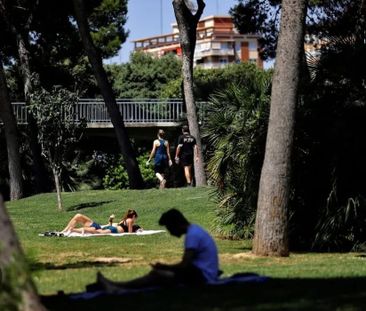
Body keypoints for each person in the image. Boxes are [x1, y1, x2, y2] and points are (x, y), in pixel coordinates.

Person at [95, 208, 219, 292]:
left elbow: (185, 265)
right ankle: (118, 286)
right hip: (202, 274)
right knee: (158, 275)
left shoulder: (193, 235)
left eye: (169, 227)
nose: (170, 232)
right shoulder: (195, 231)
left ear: (176, 223)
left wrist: (164, 267)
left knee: (157, 275)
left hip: (203, 277)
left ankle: (119, 287)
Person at [61, 209, 139, 235]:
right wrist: (136, 228)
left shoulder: (123, 220)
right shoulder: (130, 220)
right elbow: (130, 233)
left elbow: (111, 224)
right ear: (134, 216)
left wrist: (110, 220)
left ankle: (67, 230)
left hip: (103, 227)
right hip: (108, 228)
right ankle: (68, 230)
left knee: (78, 216)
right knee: (97, 231)